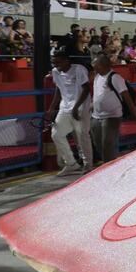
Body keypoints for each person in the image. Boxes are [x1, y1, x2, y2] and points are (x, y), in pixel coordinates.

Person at [46, 49, 92, 177]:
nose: (56, 65)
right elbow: (58, 89)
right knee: (56, 134)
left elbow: (86, 89)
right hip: (65, 108)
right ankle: (71, 164)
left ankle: (88, 165)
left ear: (67, 61)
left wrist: (76, 107)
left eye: (58, 62)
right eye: (54, 63)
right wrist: (51, 108)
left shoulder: (79, 69)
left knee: (82, 136)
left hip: (81, 107)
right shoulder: (56, 72)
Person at [91, 54, 136, 165]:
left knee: (107, 144)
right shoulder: (97, 77)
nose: (95, 68)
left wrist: (133, 112)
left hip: (111, 116)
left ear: (105, 65)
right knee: (98, 143)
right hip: (96, 116)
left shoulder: (115, 77)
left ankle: (109, 167)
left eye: (96, 66)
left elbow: (126, 96)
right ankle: (106, 163)